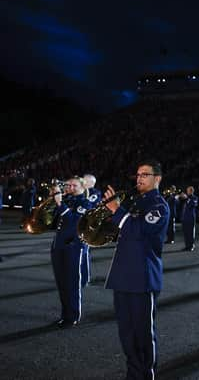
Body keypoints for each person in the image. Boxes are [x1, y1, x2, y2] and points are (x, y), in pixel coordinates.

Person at [103, 160, 169, 380]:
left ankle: (146, 375)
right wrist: (109, 214)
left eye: (145, 174)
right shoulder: (136, 203)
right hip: (122, 277)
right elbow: (122, 230)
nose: (139, 178)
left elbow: (139, 230)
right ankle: (134, 374)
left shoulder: (159, 206)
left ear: (157, 179)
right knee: (127, 334)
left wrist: (117, 210)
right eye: (138, 174)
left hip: (142, 278)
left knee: (142, 334)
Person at [50, 177, 92, 328]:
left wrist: (60, 203)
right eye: (68, 185)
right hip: (59, 246)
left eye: (74, 185)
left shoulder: (86, 203)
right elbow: (53, 221)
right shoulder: (68, 200)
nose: (70, 187)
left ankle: (73, 316)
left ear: (82, 187)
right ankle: (64, 314)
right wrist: (52, 202)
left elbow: (74, 222)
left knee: (72, 284)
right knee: (61, 284)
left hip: (74, 247)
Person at [81, 174, 102, 286]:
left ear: (90, 183)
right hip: (80, 225)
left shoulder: (95, 193)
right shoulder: (83, 191)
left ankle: (85, 277)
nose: (82, 182)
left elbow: (87, 205)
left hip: (88, 226)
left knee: (84, 252)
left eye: (84, 181)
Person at [179, 186, 198, 251]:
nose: (187, 192)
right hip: (185, 218)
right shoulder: (185, 199)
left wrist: (187, 198)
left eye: (188, 191)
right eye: (187, 190)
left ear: (191, 191)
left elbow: (192, 205)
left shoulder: (194, 198)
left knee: (191, 232)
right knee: (186, 232)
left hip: (191, 218)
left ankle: (191, 245)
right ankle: (187, 246)